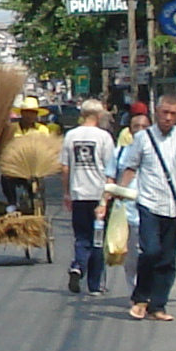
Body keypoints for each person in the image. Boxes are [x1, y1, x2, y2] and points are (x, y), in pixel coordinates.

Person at [107, 98, 176, 321]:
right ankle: (141, 296)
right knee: (151, 251)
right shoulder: (144, 139)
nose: (168, 118)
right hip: (149, 204)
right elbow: (131, 167)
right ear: (156, 112)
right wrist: (119, 192)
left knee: (168, 259)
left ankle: (158, 305)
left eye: (173, 114)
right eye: (164, 113)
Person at [61, 99, 114, 297]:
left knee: (82, 236)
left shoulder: (70, 136)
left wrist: (67, 193)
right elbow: (110, 169)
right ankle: (94, 284)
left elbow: (65, 168)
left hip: (78, 193)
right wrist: (107, 196)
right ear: (99, 116)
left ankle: (78, 265)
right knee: (98, 239)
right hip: (99, 195)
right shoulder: (104, 137)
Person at [0, 97, 62, 216]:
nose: (29, 116)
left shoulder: (42, 129)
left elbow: (46, 148)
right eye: (26, 113)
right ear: (21, 113)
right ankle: (12, 204)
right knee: (5, 178)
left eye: (32, 113)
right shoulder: (12, 129)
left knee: (36, 186)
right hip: (14, 168)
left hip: (34, 168)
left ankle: (36, 207)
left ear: (36, 114)